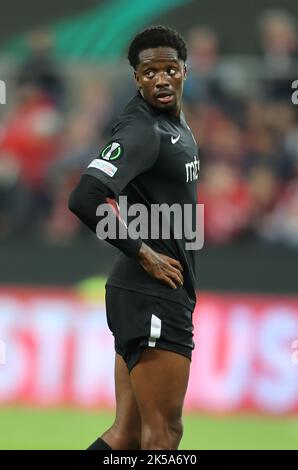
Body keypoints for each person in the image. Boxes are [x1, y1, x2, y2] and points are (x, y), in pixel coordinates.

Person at [69, 25, 200, 450]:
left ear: (185, 70)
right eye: (149, 72)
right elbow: (85, 197)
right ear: (136, 78)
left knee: (126, 435)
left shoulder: (172, 124)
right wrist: (143, 251)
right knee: (164, 434)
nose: (161, 79)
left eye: (170, 69)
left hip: (146, 293)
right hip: (152, 293)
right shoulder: (144, 131)